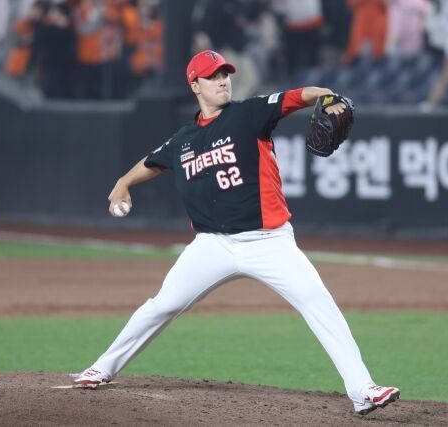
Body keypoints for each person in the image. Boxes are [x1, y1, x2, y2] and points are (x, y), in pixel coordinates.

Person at [73, 49, 400, 415]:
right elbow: (154, 161)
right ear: (195, 85)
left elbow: (297, 96)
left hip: (269, 240)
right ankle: (102, 368)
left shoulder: (249, 113)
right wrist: (123, 183)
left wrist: (327, 95)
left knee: (317, 302)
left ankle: (362, 390)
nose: (222, 81)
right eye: (212, 76)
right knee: (162, 306)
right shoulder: (184, 140)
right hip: (211, 245)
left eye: (224, 74)